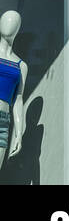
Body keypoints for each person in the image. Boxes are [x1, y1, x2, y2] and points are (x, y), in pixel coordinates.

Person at [0, 10, 26, 170]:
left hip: (3, 123)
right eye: (6, 19)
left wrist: (19, 133)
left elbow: (18, 98)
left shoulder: (21, 65)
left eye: (13, 21)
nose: (9, 23)